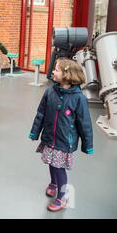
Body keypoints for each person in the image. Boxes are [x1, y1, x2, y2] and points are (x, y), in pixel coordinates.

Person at [29, 57, 94, 212]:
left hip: (65, 141)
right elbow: (41, 114)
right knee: (52, 163)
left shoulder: (79, 98)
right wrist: (35, 131)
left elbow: (85, 123)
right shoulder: (50, 92)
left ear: (67, 74)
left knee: (59, 168)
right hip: (50, 137)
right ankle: (53, 183)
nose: (52, 71)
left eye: (56, 69)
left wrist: (88, 145)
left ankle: (62, 196)